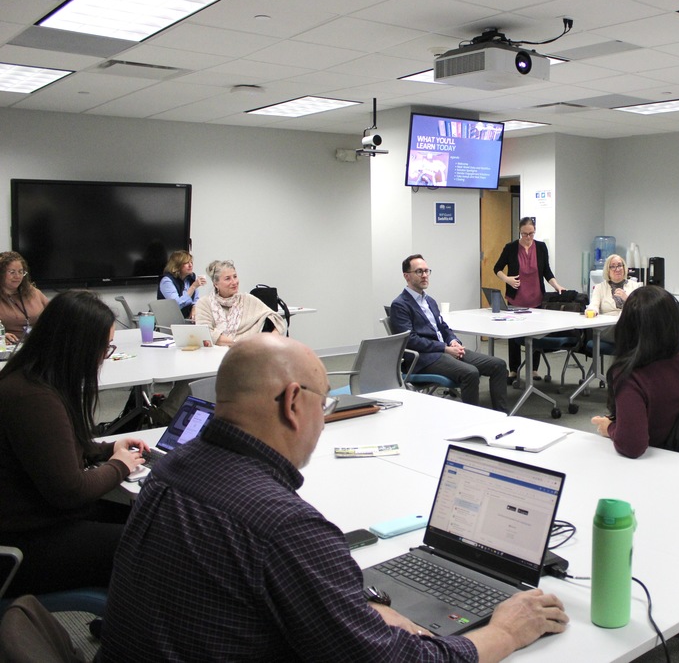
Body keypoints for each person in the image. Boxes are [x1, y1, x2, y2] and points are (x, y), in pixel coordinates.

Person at [99, 334, 567, 661]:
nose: (323, 421)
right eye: (323, 405)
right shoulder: (284, 526)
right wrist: (503, 633)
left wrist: (359, 603)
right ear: (292, 402)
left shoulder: (172, 469)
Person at [0, 290, 148, 596]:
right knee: (151, 543)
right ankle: (133, 633)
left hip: (35, 520)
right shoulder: (33, 398)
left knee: (147, 519)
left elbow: (50, 450)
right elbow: (71, 491)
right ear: (79, 347)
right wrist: (120, 465)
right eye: (105, 347)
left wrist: (107, 449)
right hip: (24, 542)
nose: (104, 357)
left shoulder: (30, 381)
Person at [590, 286, 679, 458]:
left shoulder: (630, 376)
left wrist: (610, 427)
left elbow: (632, 446)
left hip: (660, 463)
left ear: (627, 326)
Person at [392, 255, 507, 412]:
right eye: (419, 271)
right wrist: (444, 348)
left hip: (447, 350)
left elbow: (443, 327)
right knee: (470, 373)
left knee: (498, 365)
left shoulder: (429, 300)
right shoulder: (400, 305)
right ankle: (472, 422)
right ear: (407, 276)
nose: (424, 275)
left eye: (426, 271)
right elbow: (410, 340)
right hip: (425, 358)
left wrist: (453, 341)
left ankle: (502, 415)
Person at [493, 218, 567, 383]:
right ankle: (513, 370)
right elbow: (496, 268)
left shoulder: (540, 247)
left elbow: (547, 271)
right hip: (516, 298)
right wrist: (508, 280)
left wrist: (557, 286)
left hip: (536, 298)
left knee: (535, 335)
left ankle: (533, 369)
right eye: (525, 234)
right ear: (520, 231)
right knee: (514, 336)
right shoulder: (511, 248)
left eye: (531, 234)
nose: (528, 237)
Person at [193, 259, 285, 346]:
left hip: (249, 353)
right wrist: (237, 343)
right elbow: (205, 333)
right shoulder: (204, 303)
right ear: (216, 284)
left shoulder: (247, 299)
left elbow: (277, 319)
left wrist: (270, 339)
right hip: (215, 354)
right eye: (227, 278)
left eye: (235, 276)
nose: (234, 282)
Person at [0, 251, 49, 344]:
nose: (17, 276)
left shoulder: (33, 292)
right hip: (8, 347)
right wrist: (1, 336)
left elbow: (55, 314)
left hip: (38, 344)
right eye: (12, 272)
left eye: (21, 271)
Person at [156, 249, 207, 319]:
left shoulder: (190, 278)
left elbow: (196, 300)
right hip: (169, 320)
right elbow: (176, 305)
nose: (190, 265)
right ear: (177, 265)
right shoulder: (167, 281)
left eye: (191, 262)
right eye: (186, 263)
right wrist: (193, 287)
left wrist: (194, 308)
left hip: (186, 319)